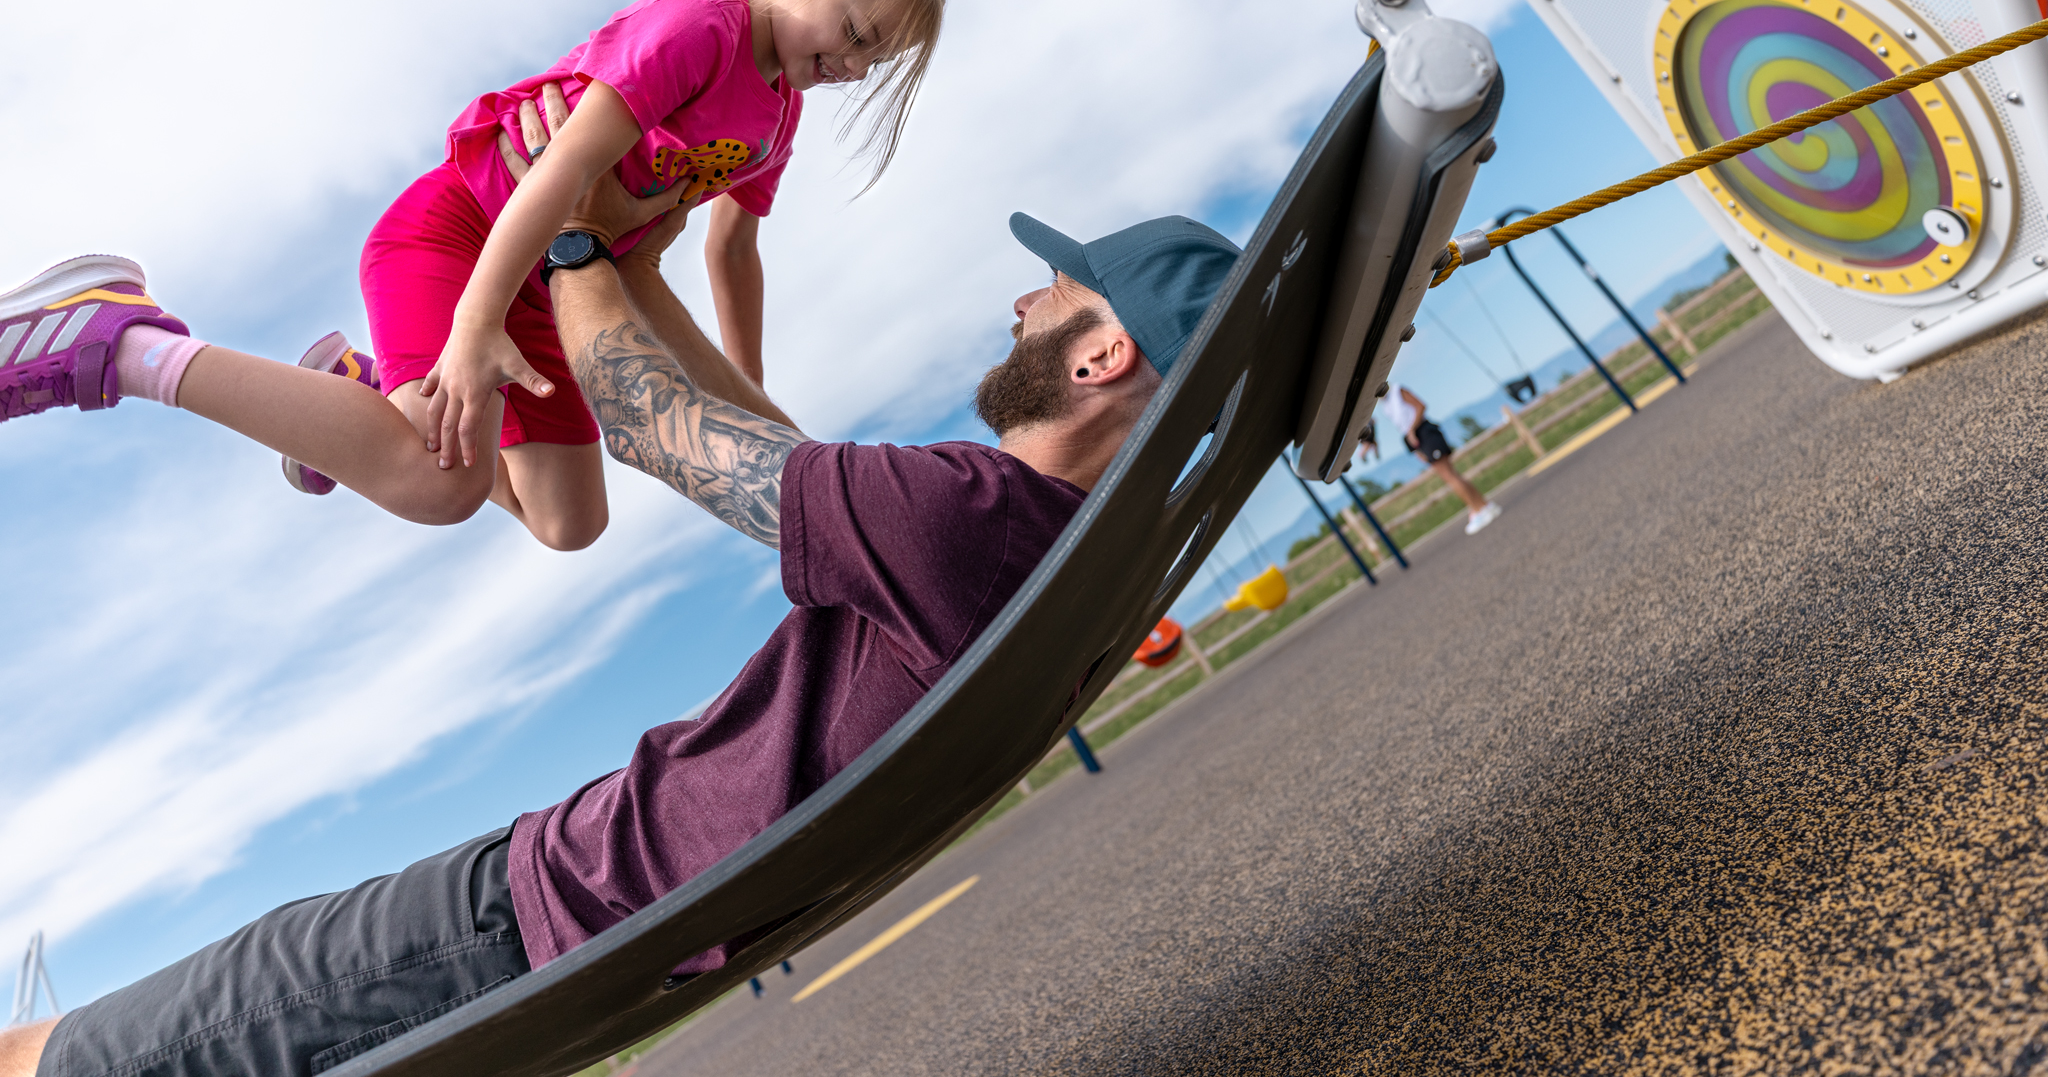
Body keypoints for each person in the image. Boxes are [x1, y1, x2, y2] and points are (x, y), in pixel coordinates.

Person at [0, 158, 1242, 1077]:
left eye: (1054, 292)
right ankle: (370, 400)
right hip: (581, 923)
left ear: (1100, 356)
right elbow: (771, 443)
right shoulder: (1058, 564)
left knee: (46, 1058)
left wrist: (568, 239)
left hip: (526, 913)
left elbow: (651, 428)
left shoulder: (968, 519)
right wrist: (639, 273)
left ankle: (113, 347)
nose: (1021, 303)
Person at [0, 0, 947, 553]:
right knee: (439, 482)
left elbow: (729, 251)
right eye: (858, 33)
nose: (856, 68)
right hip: (459, 240)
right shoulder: (700, 29)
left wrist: (751, 401)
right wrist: (474, 324)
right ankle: (122, 341)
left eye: (877, 60)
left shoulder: (776, 117)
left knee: (570, 524)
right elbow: (560, 169)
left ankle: (363, 389)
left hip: (543, 284)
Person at [1377, 384, 1500, 534]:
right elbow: (1402, 427)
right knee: (1452, 475)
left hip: (1425, 433)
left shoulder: (1398, 391)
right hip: (1419, 440)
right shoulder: (1386, 406)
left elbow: (1420, 406)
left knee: (1450, 476)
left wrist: (1412, 430)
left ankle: (1478, 510)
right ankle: (1483, 506)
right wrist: (1416, 449)